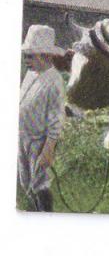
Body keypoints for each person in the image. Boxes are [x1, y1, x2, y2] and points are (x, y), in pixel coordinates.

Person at [18, 25, 68, 212]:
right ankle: (32, 214)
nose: (27, 60)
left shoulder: (54, 80)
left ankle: (44, 215)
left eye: (31, 56)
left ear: (46, 56)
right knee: (25, 181)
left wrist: (48, 149)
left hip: (38, 140)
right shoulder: (31, 75)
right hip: (23, 136)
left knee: (39, 182)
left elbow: (56, 118)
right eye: (26, 56)